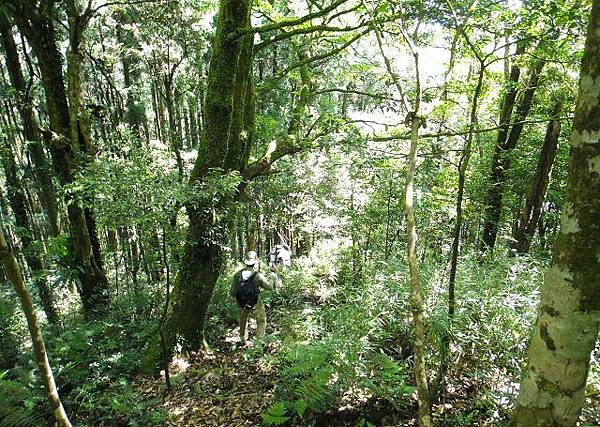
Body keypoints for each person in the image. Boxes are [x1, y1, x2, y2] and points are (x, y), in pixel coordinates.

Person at [230, 251, 275, 344]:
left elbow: (232, 292)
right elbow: (270, 287)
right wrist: (273, 275)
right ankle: (258, 342)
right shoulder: (257, 276)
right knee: (261, 320)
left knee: (243, 318)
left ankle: (242, 338)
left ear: (245, 261)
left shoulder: (238, 274)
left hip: (241, 301)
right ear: (255, 262)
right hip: (255, 301)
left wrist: (239, 300)